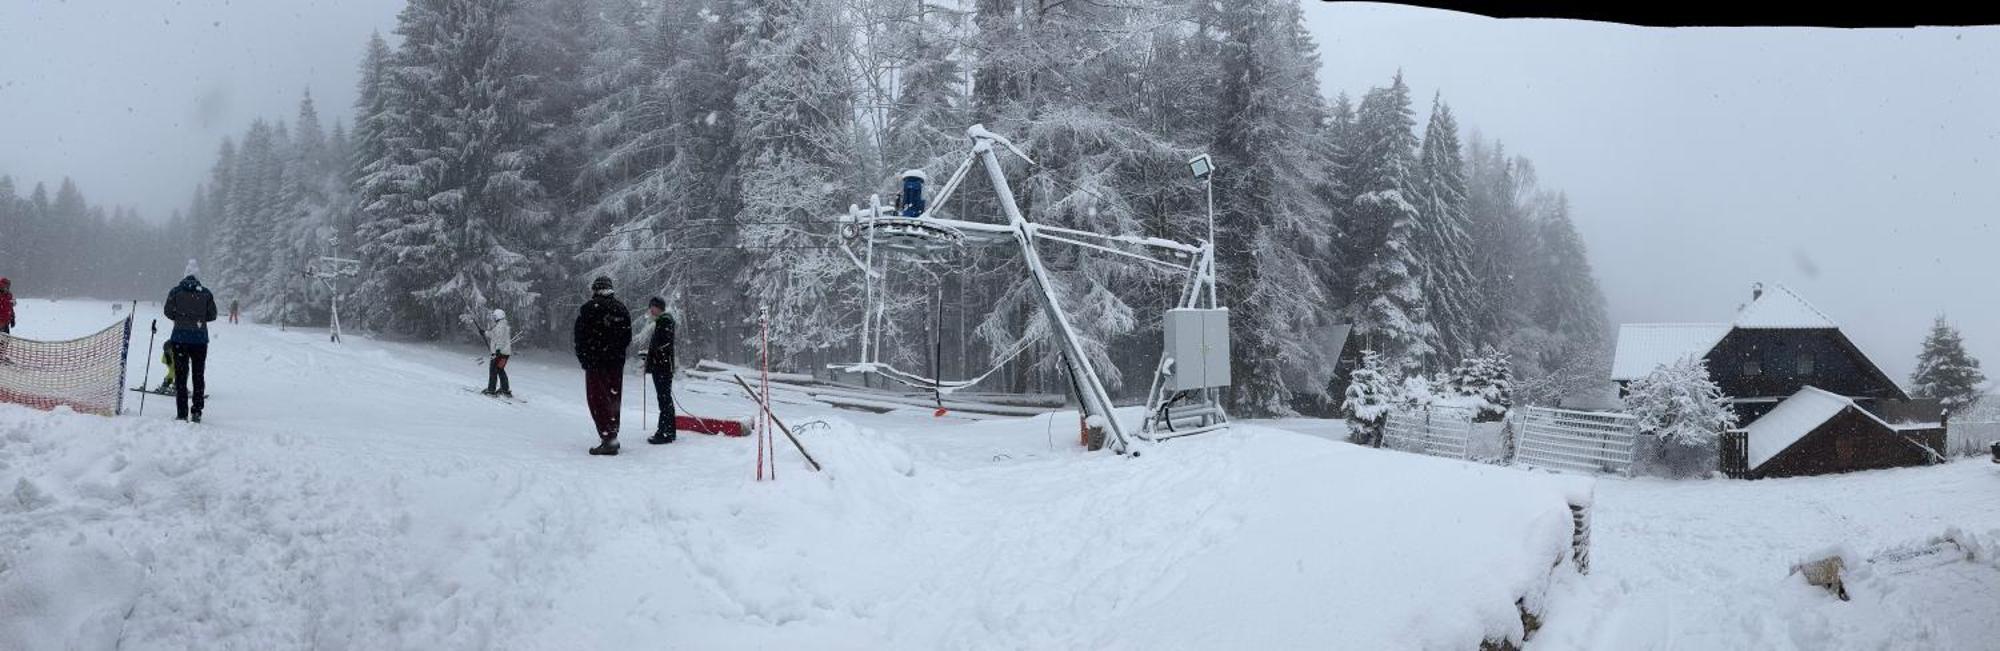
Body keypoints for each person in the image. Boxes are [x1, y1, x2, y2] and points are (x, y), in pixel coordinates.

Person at [573, 276, 632, 455]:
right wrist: (617, 353)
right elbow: (626, 338)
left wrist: (585, 359)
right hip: (615, 364)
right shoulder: (621, 309)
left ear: (595, 289)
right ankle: (612, 434)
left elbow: (580, 337)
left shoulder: (589, 309)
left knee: (597, 399)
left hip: (596, 363)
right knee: (613, 398)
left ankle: (607, 438)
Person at [164, 275, 218, 422]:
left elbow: (168, 312)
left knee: (181, 376)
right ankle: (197, 411)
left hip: (179, 339)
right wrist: (199, 318)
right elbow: (213, 315)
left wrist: (181, 318)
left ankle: (182, 413)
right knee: (198, 375)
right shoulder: (205, 293)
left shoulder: (175, 292)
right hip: (199, 340)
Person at [632, 296, 677, 445]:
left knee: (664, 399)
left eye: (653, 307)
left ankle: (664, 433)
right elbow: (661, 346)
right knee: (665, 399)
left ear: (659, 308)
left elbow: (662, 346)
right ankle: (669, 431)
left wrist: (652, 354)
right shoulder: (662, 321)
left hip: (662, 367)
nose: (650, 309)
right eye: (650, 306)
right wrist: (649, 354)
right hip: (662, 366)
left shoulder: (664, 321)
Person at [483, 308, 513, 397]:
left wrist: (497, 351)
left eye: (495, 316)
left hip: (499, 353)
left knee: (493, 370)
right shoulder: (503, 325)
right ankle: (505, 389)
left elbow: (499, 339)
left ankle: (491, 390)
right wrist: (485, 333)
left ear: (498, 316)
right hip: (505, 353)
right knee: (500, 369)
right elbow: (494, 335)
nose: (494, 318)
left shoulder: (500, 326)